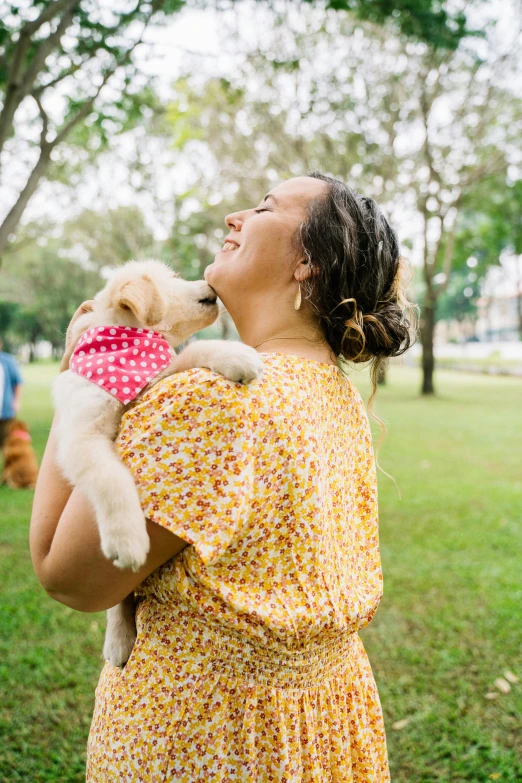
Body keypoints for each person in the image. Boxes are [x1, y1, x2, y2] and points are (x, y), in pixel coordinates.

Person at [29, 173, 417, 782]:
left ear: (309, 261)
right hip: (321, 727)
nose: (236, 215)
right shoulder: (331, 389)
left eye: (264, 207)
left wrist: (87, 367)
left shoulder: (210, 400)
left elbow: (66, 575)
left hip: (209, 737)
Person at [0, 337, 23, 450]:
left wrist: (16, 401)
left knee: (7, 443)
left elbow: (18, 382)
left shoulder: (8, 361)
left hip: (6, 410)